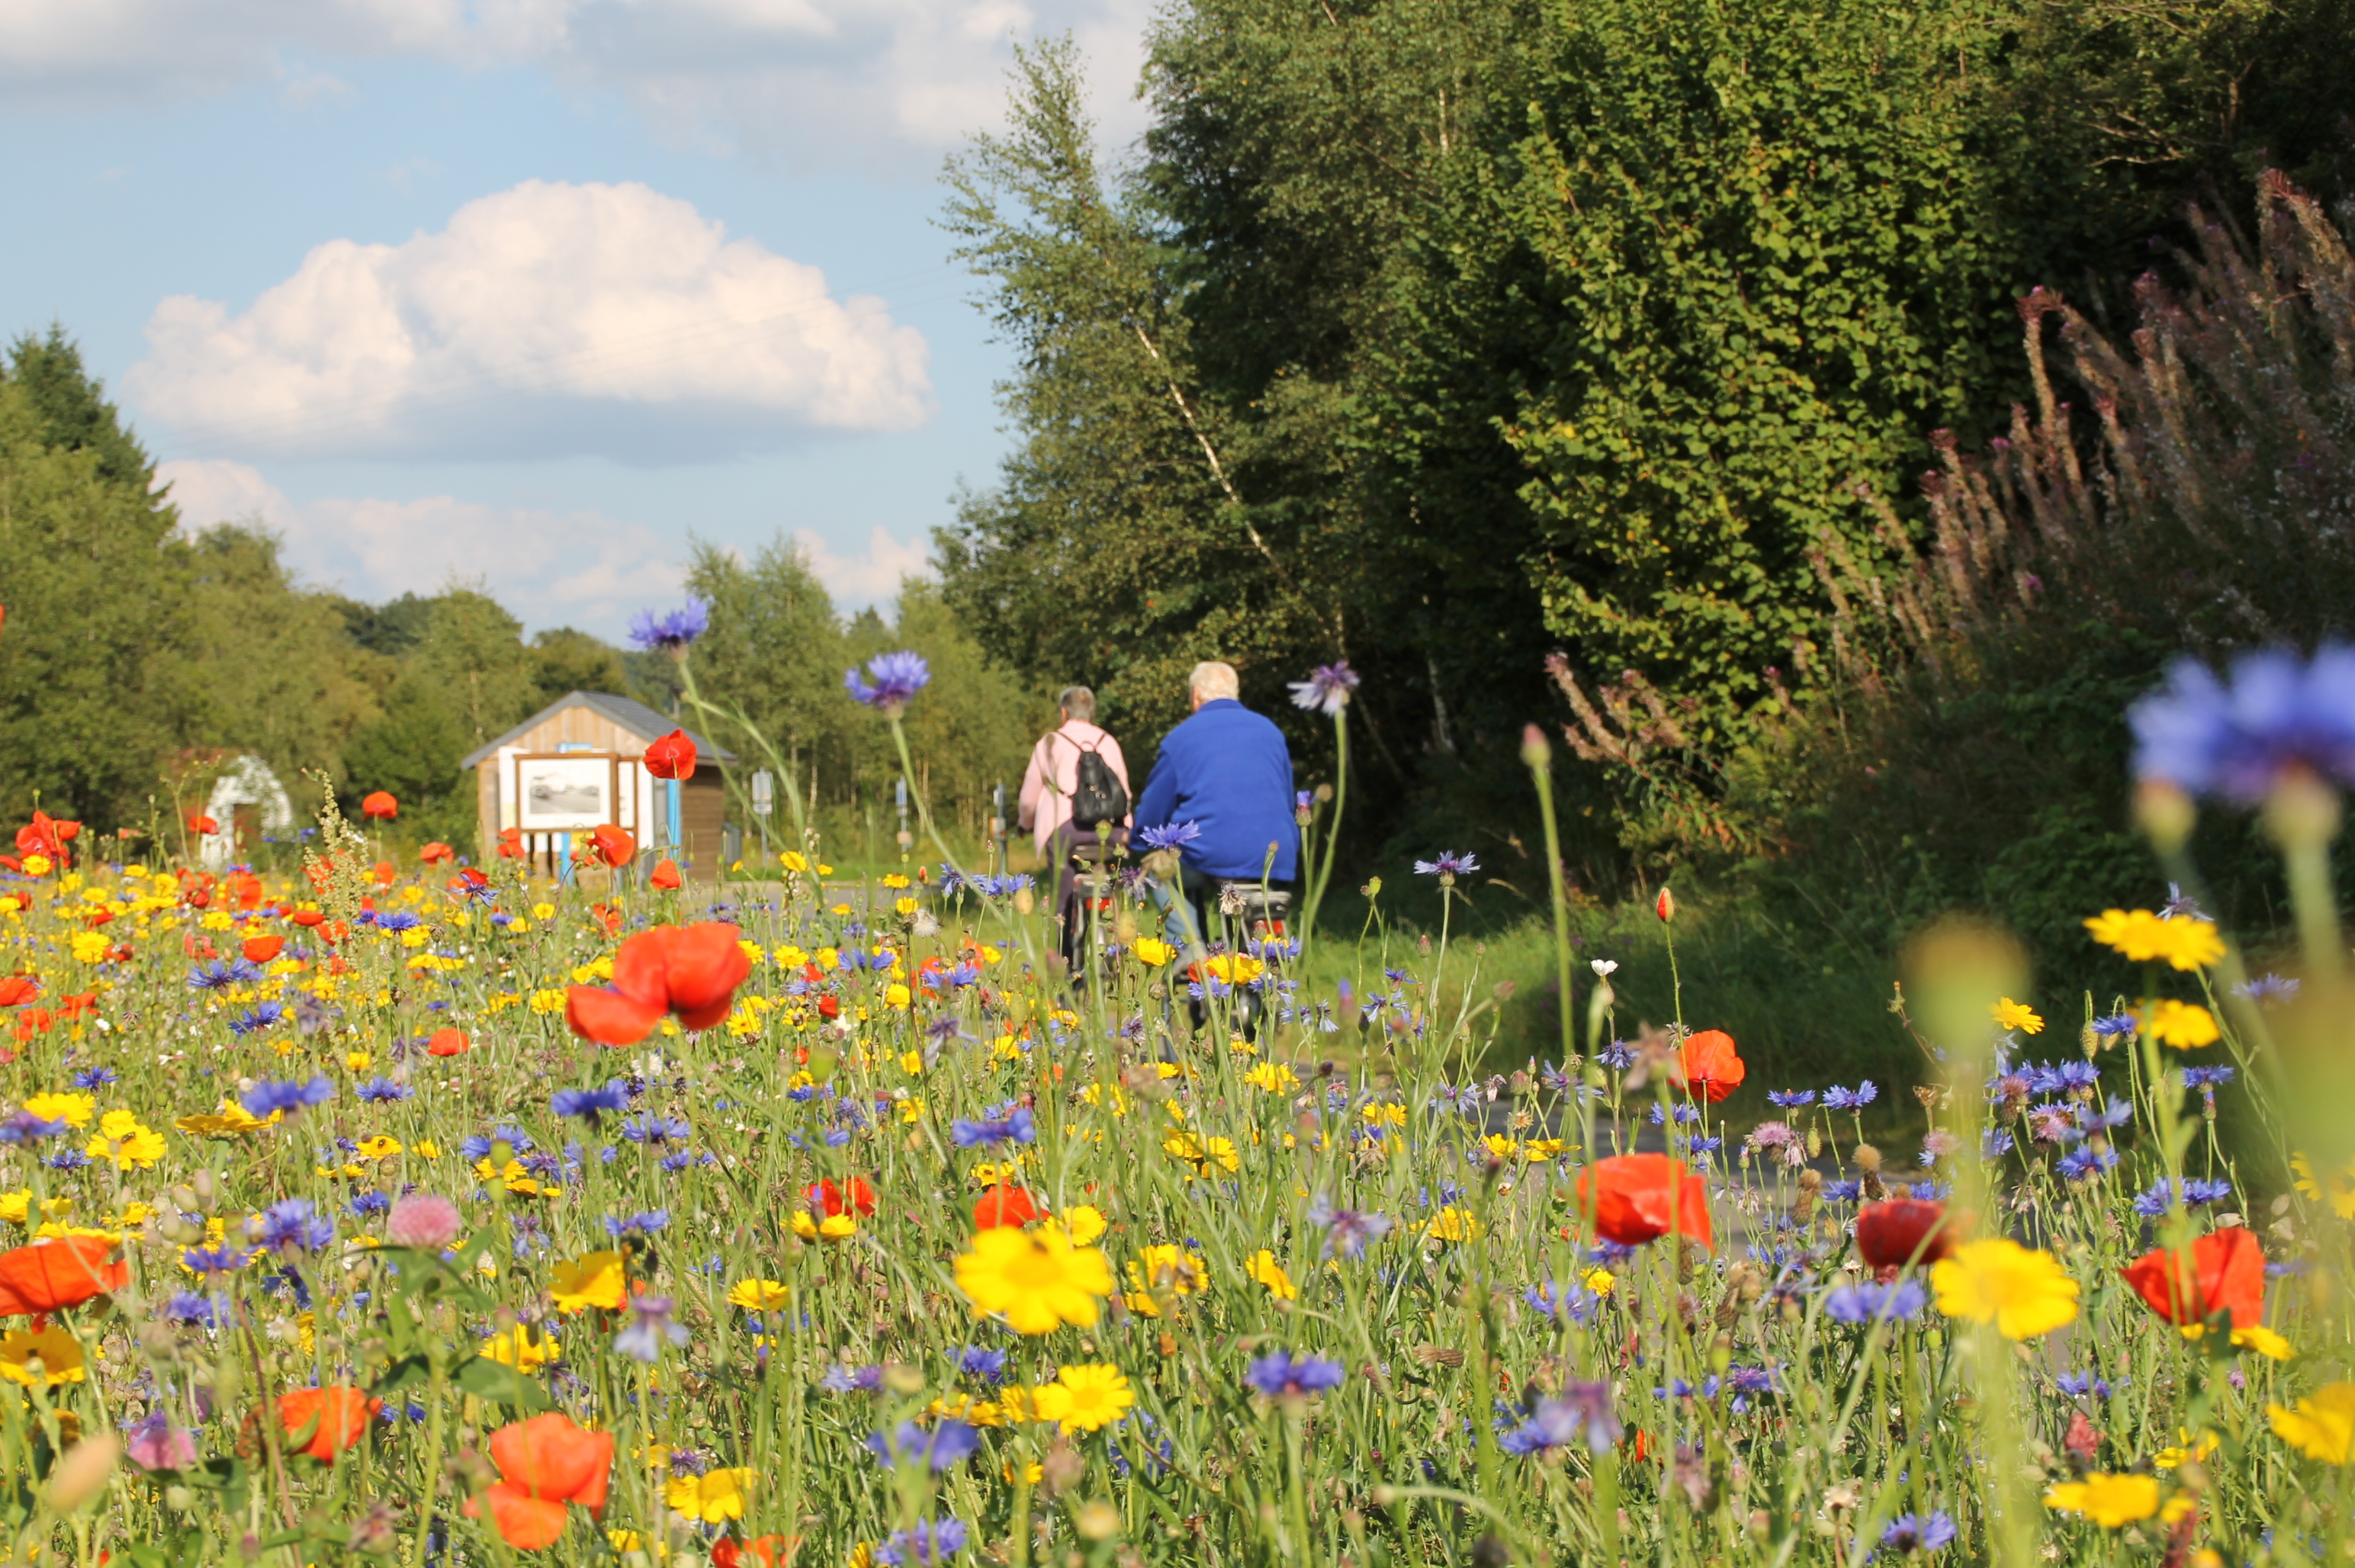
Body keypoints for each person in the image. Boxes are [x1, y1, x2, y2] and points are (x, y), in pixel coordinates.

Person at [1132, 661, 1299, 956]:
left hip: (1207, 853)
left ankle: (1190, 954)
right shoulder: (1271, 733)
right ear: (1235, 692)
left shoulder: (1181, 738)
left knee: (1159, 872)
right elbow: (1287, 799)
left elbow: (1155, 807)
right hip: (1273, 854)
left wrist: (1138, 841)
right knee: (1263, 949)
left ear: (1196, 694)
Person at [1017, 686, 1132, 979]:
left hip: (1067, 833)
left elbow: (1030, 798)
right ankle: (1119, 955)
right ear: (1092, 713)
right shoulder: (1109, 741)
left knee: (1062, 898)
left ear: (1063, 712)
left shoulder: (1050, 742)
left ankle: (1063, 968)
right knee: (1114, 885)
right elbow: (1124, 793)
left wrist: (1024, 824)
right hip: (1112, 833)